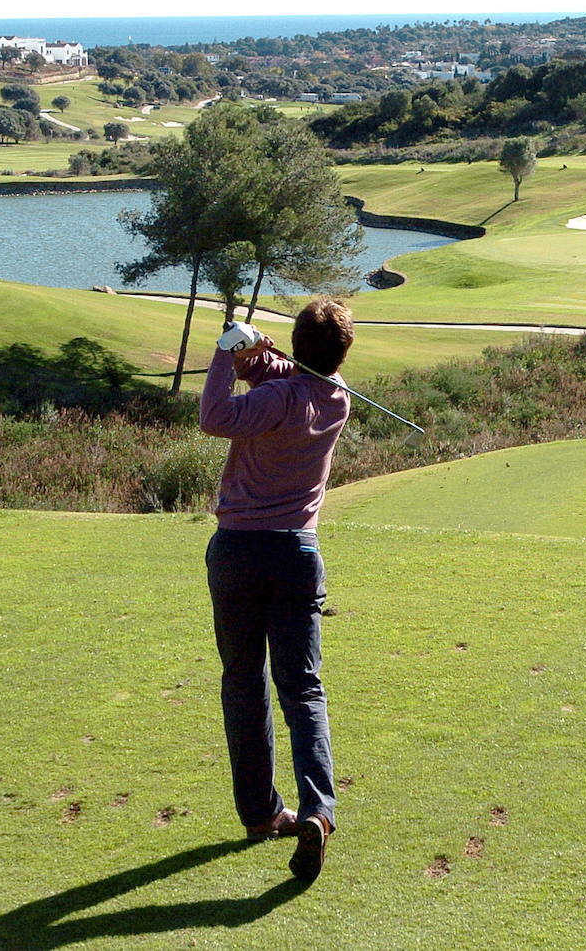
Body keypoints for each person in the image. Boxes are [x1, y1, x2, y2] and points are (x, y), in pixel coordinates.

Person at [198, 299, 354, 883]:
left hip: (239, 552)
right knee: (303, 688)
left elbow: (215, 416)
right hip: (297, 555)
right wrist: (258, 355)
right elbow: (280, 380)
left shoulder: (275, 400)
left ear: (297, 343)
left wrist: (225, 353)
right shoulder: (334, 397)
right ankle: (317, 810)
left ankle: (263, 815)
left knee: (243, 681)